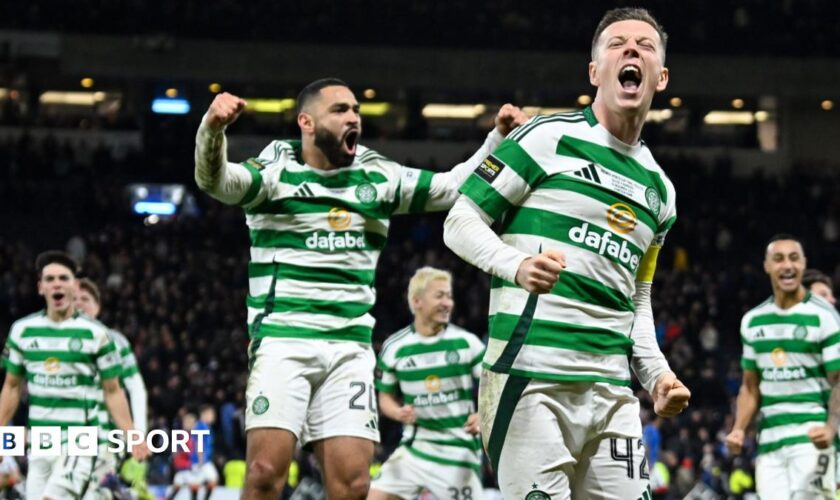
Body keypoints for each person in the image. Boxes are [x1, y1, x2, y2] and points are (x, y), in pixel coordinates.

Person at [193, 78, 526, 499]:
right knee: (262, 472)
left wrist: (497, 138)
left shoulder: (378, 176)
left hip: (348, 349)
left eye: (356, 110)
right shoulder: (274, 173)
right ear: (306, 122)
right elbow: (216, 181)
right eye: (340, 110)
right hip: (283, 341)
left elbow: (452, 186)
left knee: (353, 484)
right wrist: (213, 129)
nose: (353, 117)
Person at [443, 7, 691, 498]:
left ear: (660, 77)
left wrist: (656, 374)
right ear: (594, 71)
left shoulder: (660, 192)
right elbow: (459, 220)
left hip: (612, 392)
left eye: (644, 45)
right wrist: (515, 265)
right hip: (530, 379)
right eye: (617, 43)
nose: (631, 50)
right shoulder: (545, 137)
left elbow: (636, 301)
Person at [0, 250, 149, 500]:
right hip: (40, 442)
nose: (56, 284)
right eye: (50, 279)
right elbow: (12, 387)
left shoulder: (96, 334)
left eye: (63, 278)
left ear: (74, 285)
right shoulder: (22, 332)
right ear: (40, 287)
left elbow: (114, 390)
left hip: (82, 442)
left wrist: (132, 434)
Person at [726, 235, 840, 499]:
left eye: (793, 257)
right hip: (769, 444)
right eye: (778, 259)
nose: (787, 265)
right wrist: (740, 428)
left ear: (803, 264)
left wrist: (831, 428)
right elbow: (750, 387)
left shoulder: (824, 317)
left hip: (812, 437)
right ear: (767, 266)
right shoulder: (753, 322)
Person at [369, 267, 485, 500]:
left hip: (458, 450)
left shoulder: (466, 343)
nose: (448, 303)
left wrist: (484, 414)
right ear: (417, 301)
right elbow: (385, 397)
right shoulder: (395, 348)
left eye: (449, 296)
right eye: (440, 295)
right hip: (415, 448)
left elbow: (494, 386)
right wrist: (398, 412)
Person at [75, 277, 149, 499]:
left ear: (97, 307)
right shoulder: (50, 339)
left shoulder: (115, 341)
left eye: (85, 299)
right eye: (74, 298)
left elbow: (136, 388)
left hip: (103, 437)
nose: (79, 303)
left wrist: (139, 434)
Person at [189, 406, 219, 498]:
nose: (213, 417)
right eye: (211, 414)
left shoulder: (207, 427)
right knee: (205, 481)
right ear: (205, 414)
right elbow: (198, 442)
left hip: (205, 460)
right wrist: (200, 458)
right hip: (200, 460)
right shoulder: (201, 426)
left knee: (210, 480)